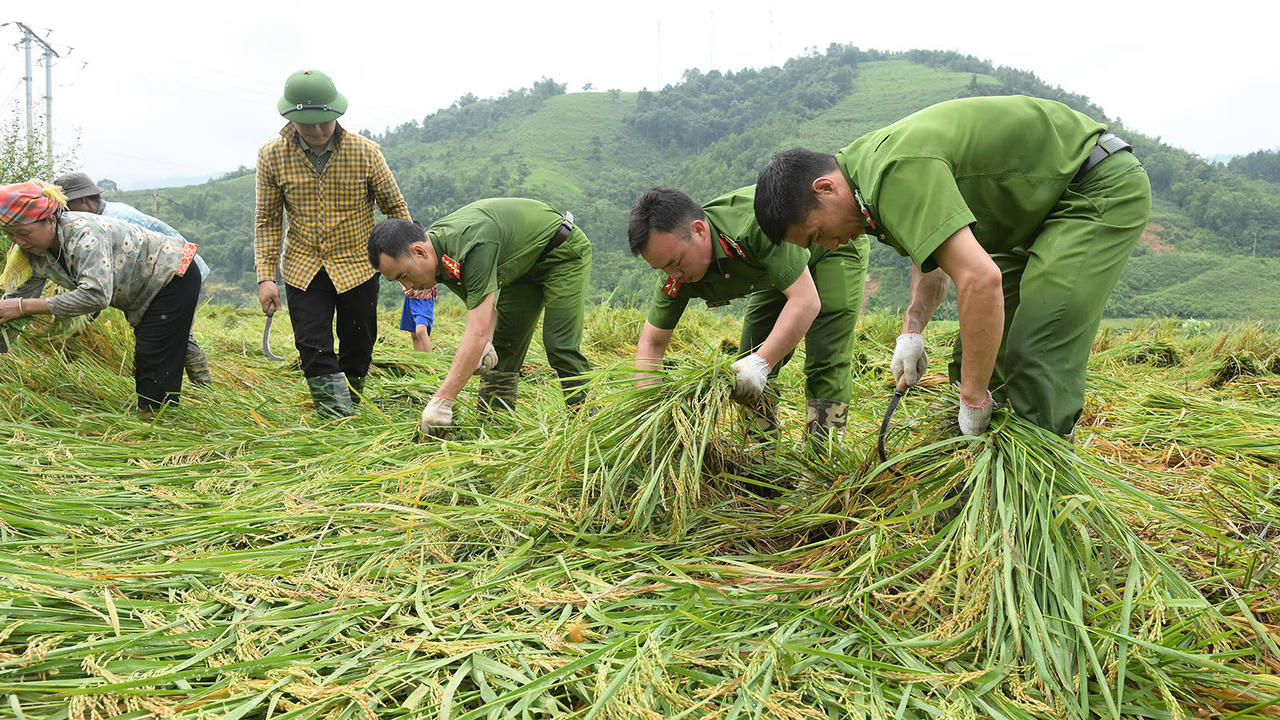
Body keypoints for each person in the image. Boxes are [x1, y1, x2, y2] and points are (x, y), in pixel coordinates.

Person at [753, 95, 1152, 438]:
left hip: (1090, 186)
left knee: (1036, 350)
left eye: (817, 233)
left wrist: (974, 400)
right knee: (975, 358)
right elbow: (932, 254)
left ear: (825, 188)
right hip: (1027, 218)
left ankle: (1041, 492)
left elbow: (981, 279)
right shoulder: (865, 181)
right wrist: (912, 331)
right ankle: (977, 474)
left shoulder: (891, 172)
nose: (831, 245)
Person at [629, 186, 867, 442]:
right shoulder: (675, 272)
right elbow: (652, 343)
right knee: (749, 360)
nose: (672, 275)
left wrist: (762, 363)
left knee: (826, 357)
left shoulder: (754, 227)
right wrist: (651, 411)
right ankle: (761, 455)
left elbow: (806, 301)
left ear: (699, 230)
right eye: (662, 268)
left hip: (831, 246)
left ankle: (824, 454)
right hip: (773, 270)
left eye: (676, 263)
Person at [255, 69, 411, 417]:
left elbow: (396, 210)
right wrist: (266, 277)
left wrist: (409, 267)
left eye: (323, 123)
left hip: (358, 265)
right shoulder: (272, 156)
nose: (316, 131)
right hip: (303, 267)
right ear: (290, 118)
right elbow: (267, 220)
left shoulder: (366, 152)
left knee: (358, 345)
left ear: (336, 115)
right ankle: (338, 420)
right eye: (306, 124)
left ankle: (351, 401)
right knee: (312, 345)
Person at [367, 200, 591, 435]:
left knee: (560, 345)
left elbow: (477, 332)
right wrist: (484, 344)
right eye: (398, 281)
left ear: (419, 251)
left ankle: (587, 424)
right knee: (504, 349)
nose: (407, 286)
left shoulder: (470, 246)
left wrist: (443, 400)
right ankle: (495, 429)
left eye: (404, 275)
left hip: (561, 252)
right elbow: (480, 310)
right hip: (520, 268)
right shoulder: (439, 258)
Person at [0, 181, 203, 417]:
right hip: (140, 290)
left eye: (24, 233)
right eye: (10, 234)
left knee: (153, 354)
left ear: (50, 220)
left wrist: (24, 308)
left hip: (173, 274)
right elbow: (12, 306)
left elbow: (96, 296)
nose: (19, 241)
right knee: (170, 343)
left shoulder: (84, 233)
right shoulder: (32, 253)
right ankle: (206, 394)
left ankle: (156, 426)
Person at [54, 171, 213, 385]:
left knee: (175, 334)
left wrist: (85, 313)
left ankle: (204, 388)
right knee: (161, 334)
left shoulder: (109, 220)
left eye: (66, 208)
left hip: (179, 273)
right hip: (161, 274)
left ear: (84, 201)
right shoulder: (100, 217)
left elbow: (104, 276)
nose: (65, 216)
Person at [401, 286, 436, 353]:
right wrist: (406, 287)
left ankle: (429, 360)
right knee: (414, 334)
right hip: (410, 297)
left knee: (421, 331)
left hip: (424, 295)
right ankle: (420, 361)